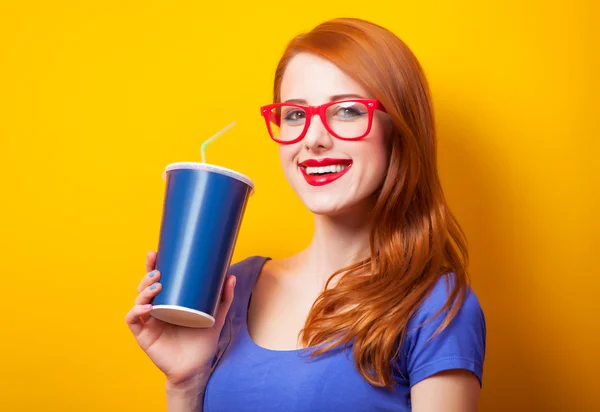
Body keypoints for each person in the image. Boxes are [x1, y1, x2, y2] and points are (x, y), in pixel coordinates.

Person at [126, 17, 486, 412]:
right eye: (296, 115)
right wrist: (185, 383)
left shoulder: (434, 307)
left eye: (347, 111)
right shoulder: (231, 288)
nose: (313, 138)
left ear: (399, 128)